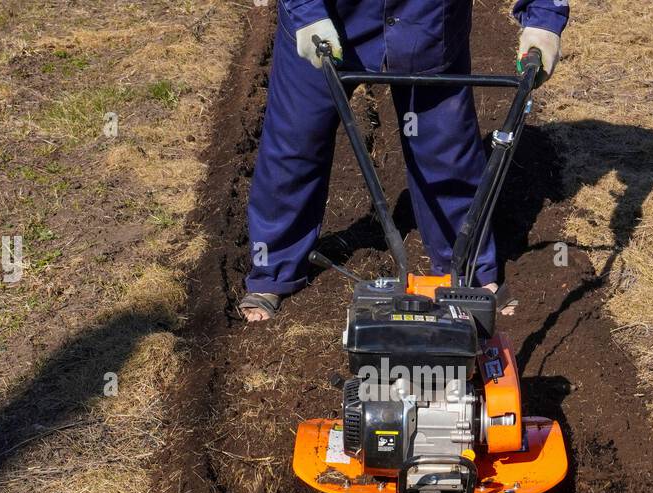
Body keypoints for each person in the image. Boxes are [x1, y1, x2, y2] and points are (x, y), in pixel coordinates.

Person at [240, 0, 568, 321]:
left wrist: (543, 18)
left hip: (426, 16)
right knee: (296, 139)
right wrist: (307, 12)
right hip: (330, 13)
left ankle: (467, 269)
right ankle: (273, 267)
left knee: (445, 143)